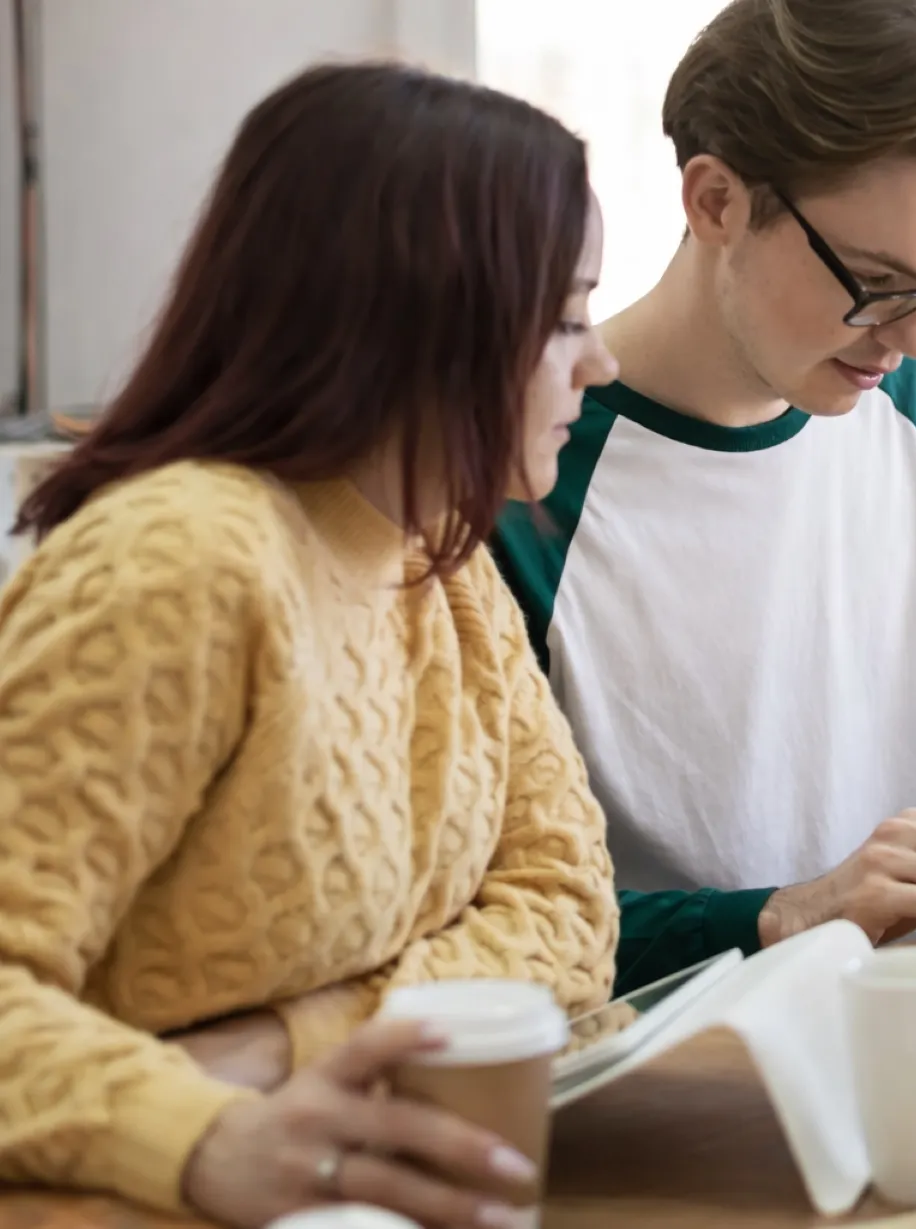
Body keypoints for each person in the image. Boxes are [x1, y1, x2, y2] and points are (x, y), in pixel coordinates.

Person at [0, 63, 621, 1228]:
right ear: (428, 313)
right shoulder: (181, 562)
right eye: (570, 315)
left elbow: (568, 908)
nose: (600, 364)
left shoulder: (446, 553)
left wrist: (281, 1046)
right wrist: (204, 1131)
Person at [493, 0, 916, 996]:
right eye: (873, 282)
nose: (913, 342)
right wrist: (789, 915)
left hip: (906, 1042)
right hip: (656, 1088)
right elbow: (480, 916)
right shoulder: (523, 476)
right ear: (716, 201)